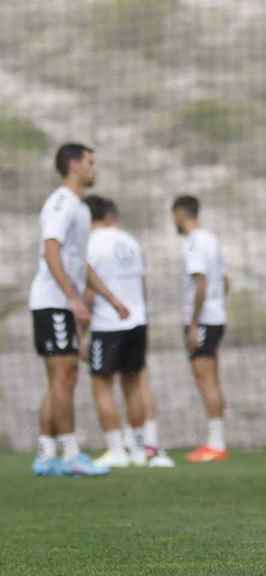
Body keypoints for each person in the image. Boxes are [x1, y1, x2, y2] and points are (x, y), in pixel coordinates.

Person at [30, 143, 127, 477]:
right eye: (90, 162)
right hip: (51, 301)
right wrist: (72, 298)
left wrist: (112, 299)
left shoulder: (81, 209)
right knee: (64, 376)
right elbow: (51, 252)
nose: (94, 168)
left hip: (61, 302)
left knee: (62, 378)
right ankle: (69, 454)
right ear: (73, 165)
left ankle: (46, 454)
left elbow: (78, 263)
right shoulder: (60, 203)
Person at [83, 196, 174, 469]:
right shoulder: (131, 242)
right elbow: (141, 283)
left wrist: (81, 331)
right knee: (133, 385)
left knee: (102, 386)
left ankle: (115, 450)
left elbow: (89, 288)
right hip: (136, 321)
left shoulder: (90, 243)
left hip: (107, 323)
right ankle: (138, 448)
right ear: (111, 216)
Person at [171, 195, 230, 463]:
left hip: (203, 319)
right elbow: (225, 280)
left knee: (205, 378)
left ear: (180, 215)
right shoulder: (211, 239)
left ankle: (216, 443)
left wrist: (194, 323)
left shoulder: (194, 242)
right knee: (211, 378)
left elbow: (202, 284)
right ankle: (216, 440)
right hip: (216, 316)